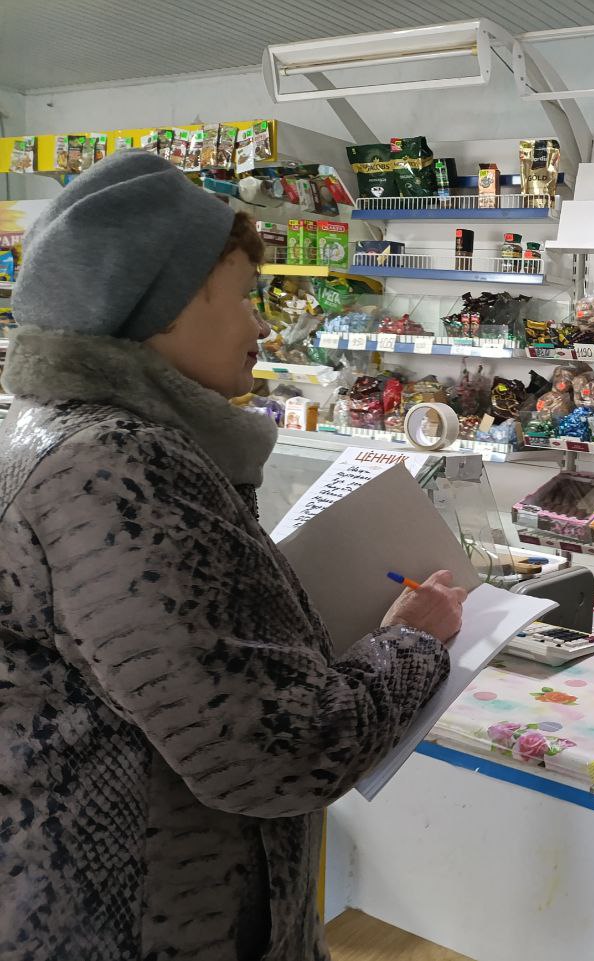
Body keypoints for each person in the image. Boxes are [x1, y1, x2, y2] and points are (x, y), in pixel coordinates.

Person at [0, 151, 467, 961]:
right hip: (144, 926)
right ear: (164, 305)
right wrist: (413, 641)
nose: (263, 327)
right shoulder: (114, 466)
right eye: (246, 298)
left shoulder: (71, 437)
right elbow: (277, 751)